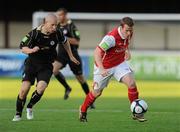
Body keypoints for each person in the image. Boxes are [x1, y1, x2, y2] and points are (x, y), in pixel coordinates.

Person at [12, 14, 79, 121]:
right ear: (45, 23)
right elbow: (23, 48)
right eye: (52, 25)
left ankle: (30, 106)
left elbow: (65, 42)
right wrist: (31, 50)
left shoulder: (57, 33)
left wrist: (71, 55)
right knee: (24, 90)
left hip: (46, 65)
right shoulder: (34, 33)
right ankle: (18, 114)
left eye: (56, 25)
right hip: (32, 64)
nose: (54, 28)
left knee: (41, 88)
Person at [79, 17, 147, 122]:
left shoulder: (129, 33)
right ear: (121, 27)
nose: (129, 33)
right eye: (127, 30)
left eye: (131, 30)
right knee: (97, 93)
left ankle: (136, 113)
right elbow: (97, 52)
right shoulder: (111, 38)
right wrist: (101, 69)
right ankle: (83, 110)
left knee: (131, 83)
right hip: (104, 66)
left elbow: (125, 43)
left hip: (119, 63)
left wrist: (126, 51)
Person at [53, 8, 95, 108]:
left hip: (73, 55)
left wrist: (63, 37)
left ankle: (90, 101)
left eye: (60, 15)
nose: (58, 17)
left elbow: (76, 41)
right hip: (62, 55)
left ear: (65, 15)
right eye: (57, 15)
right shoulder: (57, 26)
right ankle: (67, 88)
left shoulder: (71, 26)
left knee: (80, 79)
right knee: (54, 70)